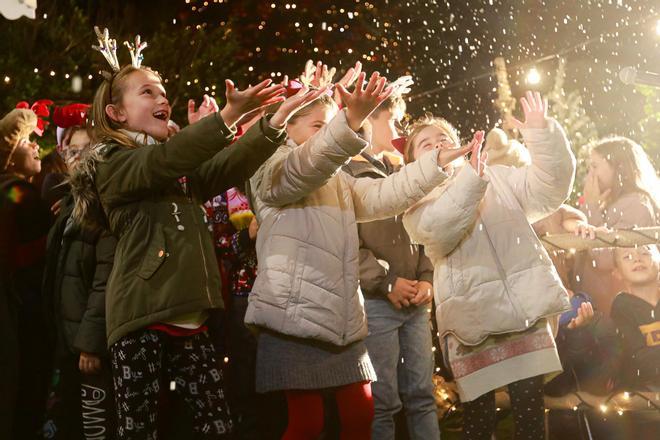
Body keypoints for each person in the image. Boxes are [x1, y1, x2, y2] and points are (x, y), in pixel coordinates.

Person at [70, 49, 325, 436]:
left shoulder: (173, 161)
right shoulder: (112, 163)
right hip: (142, 318)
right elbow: (164, 162)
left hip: (190, 316)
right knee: (139, 431)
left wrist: (275, 121)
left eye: (162, 92)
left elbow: (226, 165)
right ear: (116, 113)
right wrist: (227, 117)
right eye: (148, 93)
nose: (162, 99)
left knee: (217, 427)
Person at [247, 70, 471, 440]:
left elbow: (385, 194)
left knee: (360, 416)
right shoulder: (270, 169)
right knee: (307, 425)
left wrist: (435, 165)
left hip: (342, 320)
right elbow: (306, 168)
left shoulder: (339, 180)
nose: (327, 132)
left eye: (329, 124)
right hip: (293, 318)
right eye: (318, 125)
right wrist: (349, 121)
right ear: (288, 130)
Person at [403, 92, 576, 440]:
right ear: (412, 165)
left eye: (444, 138)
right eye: (425, 144)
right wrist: (471, 179)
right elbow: (443, 227)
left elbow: (549, 189)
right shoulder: (416, 205)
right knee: (479, 423)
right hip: (473, 325)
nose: (438, 143)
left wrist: (541, 135)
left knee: (529, 418)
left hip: (521, 316)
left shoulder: (498, 177)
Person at [343, 91, 440, 440]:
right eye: (394, 121)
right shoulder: (346, 175)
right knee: (382, 402)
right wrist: (385, 281)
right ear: (369, 118)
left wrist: (427, 277)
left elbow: (425, 228)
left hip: (415, 301)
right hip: (377, 304)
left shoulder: (401, 171)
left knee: (422, 395)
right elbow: (348, 245)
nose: (399, 130)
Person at [41, 104, 119, 439]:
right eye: (70, 150)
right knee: (68, 420)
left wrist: (90, 343)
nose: (75, 157)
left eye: (83, 150)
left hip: (88, 347)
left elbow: (104, 280)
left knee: (94, 426)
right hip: (66, 338)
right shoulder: (72, 203)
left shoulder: (99, 207)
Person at [0, 108, 53, 440]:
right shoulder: (14, 192)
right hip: (22, 315)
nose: (37, 146)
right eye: (27, 140)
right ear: (8, 154)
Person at [574, 136, 659, 315]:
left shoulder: (635, 204)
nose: (590, 174)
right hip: (599, 302)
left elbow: (604, 258)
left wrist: (590, 207)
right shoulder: (613, 204)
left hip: (616, 306)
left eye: (595, 166)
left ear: (618, 167)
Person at [611, 245, 660, 391]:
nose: (637, 259)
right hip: (643, 386)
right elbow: (638, 357)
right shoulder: (622, 306)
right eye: (627, 256)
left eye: (645, 252)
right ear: (617, 272)